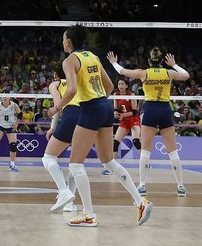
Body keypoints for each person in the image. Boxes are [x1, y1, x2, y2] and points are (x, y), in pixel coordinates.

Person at [48, 25, 151, 227]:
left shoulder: (70, 60)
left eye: (63, 39)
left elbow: (71, 89)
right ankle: (140, 201)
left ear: (68, 42)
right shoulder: (93, 56)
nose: (62, 42)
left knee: (75, 164)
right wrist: (98, 100)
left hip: (91, 109)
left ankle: (89, 214)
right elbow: (110, 86)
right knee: (108, 161)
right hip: (104, 105)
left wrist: (56, 107)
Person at [106, 48, 190, 197]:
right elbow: (186, 75)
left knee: (145, 150)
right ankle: (181, 186)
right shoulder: (168, 73)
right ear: (162, 62)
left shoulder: (143, 73)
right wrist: (174, 64)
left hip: (150, 110)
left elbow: (123, 71)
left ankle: (142, 185)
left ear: (150, 61)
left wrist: (113, 62)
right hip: (164, 110)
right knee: (172, 152)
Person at [41, 66, 79, 213]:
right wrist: (53, 127)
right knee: (76, 163)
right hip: (87, 118)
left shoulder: (55, 84)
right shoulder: (77, 81)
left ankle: (64, 191)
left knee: (48, 158)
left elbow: (58, 106)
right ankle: (69, 205)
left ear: (56, 75)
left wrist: (52, 127)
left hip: (70, 116)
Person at [102, 79, 141, 175]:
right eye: (119, 84)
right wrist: (116, 113)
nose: (120, 85)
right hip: (124, 122)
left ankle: (146, 162)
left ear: (127, 85)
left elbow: (135, 111)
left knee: (135, 141)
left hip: (134, 120)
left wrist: (123, 115)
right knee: (115, 143)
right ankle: (111, 167)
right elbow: (116, 108)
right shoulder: (116, 95)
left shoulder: (131, 95)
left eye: (123, 84)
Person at [0, 95, 21, 172]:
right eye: (3, 96)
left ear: (9, 97)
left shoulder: (14, 105)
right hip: (0, 125)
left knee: (13, 145)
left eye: (6, 96)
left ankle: (12, 164)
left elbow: (20, 114)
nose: (4, 97)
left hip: (11, 126)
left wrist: (16, 124)